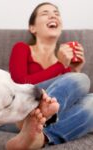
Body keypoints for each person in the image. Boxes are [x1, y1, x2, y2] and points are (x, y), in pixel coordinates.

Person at [6, 2, 93, 150]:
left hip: (41, 120)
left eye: (57, 13)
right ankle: (29, 119)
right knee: (81, 79)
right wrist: (60, 65)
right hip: (17, 112)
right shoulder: (22, 48)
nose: (53, 15)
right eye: (45, 13)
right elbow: (19, 84)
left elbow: (68, 101)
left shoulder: (65, 66)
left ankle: (41, 137)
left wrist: (73, 69)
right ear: (32, 28)